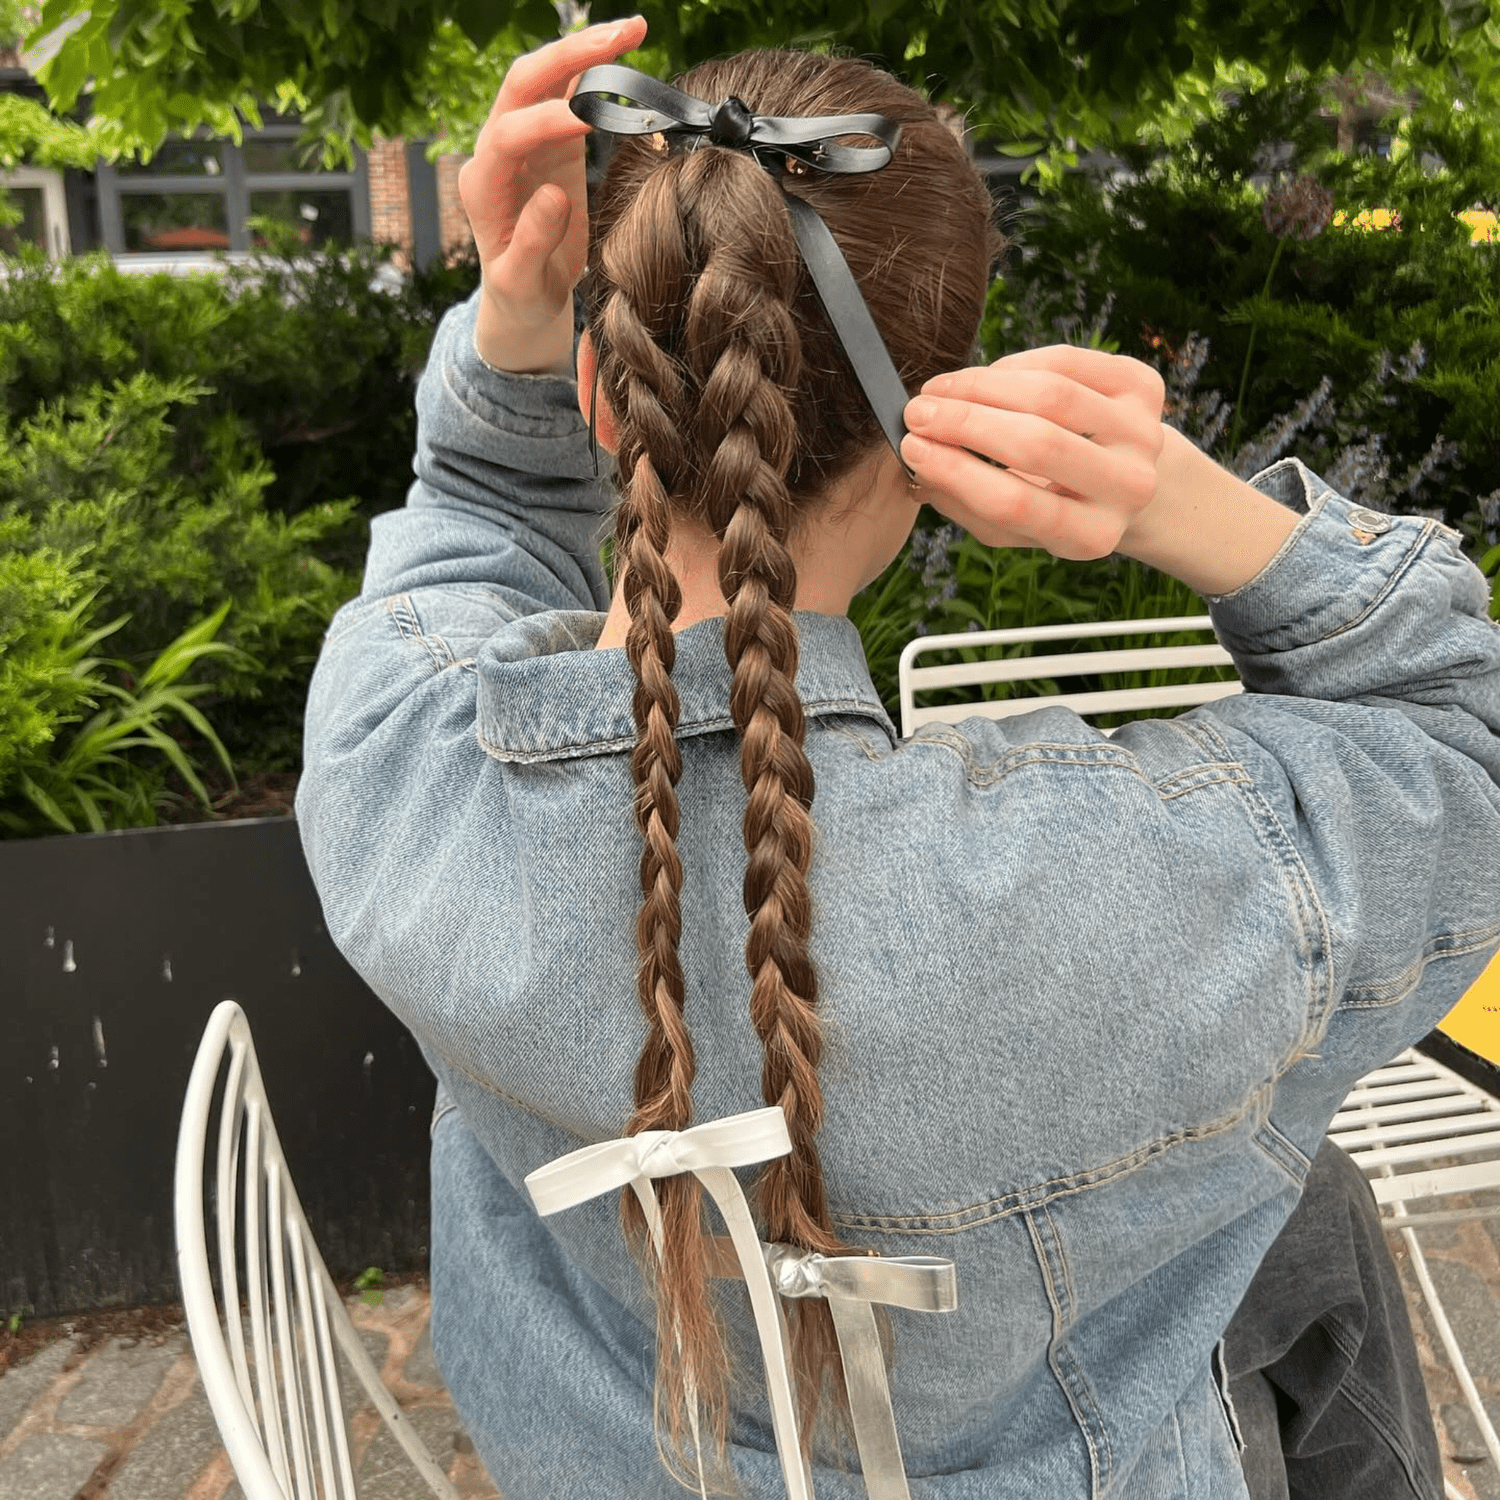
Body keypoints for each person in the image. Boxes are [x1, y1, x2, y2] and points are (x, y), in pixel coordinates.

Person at [295, 18, 1500, 1499]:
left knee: (1307, 1224)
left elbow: (467, 512)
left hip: (609, 1464)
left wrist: (509, 310)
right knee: (1311, 1222)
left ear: (605, 401)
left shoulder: (398, 772)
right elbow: (1464, 750)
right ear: (929, 434)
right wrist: (1189, 506)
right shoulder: (1141, 898)